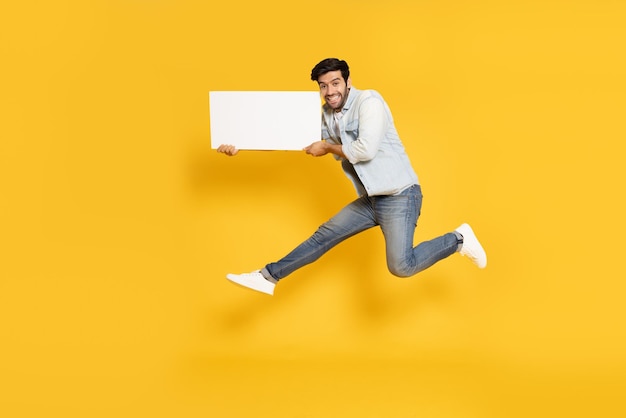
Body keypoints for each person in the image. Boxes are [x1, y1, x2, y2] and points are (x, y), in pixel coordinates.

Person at [218, 58, 486, 296]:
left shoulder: (368, 102)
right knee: (322, 236)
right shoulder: (326, 115)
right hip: (371, 200)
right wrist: (240, 144)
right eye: (323, 86)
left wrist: (328, 147)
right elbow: (292, 139)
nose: (330, 91)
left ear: (347, 81)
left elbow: (365, 149)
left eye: (335, 83)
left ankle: (459, 239)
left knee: (401, 267)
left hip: (400, 195)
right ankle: (268, 276)